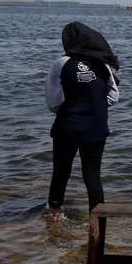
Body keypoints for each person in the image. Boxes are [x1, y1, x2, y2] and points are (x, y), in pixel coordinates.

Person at [44, 21, 120, 219]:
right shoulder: (103, 64)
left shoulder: (60, 63)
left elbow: (53, 102)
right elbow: (113, 96)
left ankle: (53, 216)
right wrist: (93, 105)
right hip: (96, 129)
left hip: (67, 128)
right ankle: (97, 223)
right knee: (93, 178)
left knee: (60, 173)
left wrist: (71, 107)